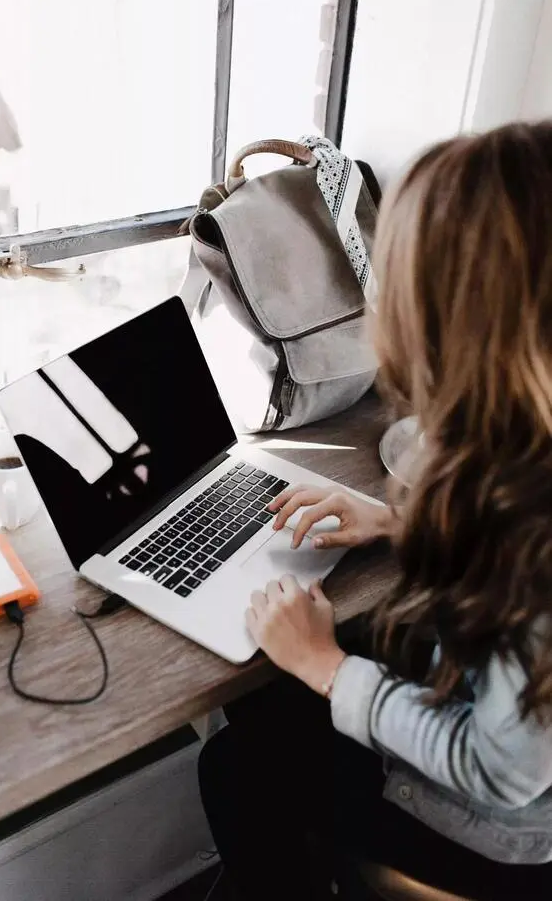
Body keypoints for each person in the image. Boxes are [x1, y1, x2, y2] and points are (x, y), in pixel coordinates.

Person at [198, 122, 552, 900]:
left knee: (236, 766)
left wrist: (326, 665)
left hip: (510, 840)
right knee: (271, 708)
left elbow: (500, 772)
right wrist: (397, 521)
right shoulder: (522, 459)